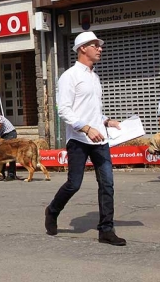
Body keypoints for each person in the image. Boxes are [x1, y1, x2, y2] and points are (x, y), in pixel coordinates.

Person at [44, 31, 126, 246]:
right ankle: (52, 211)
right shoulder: (69, 76)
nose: (100, 48)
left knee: (107, 184)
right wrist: (86, 128)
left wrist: (107, 121)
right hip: (79, 139)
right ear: (82, 48)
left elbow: (93, 110)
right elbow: (64, 110)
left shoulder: (94, 76)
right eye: (95, 45)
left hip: (100, 139)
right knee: (74, 184)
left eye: (100, 45)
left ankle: (106, 230)